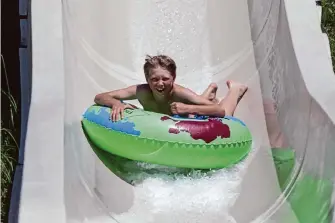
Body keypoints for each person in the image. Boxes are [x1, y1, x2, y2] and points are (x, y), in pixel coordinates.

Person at [94, 55, 248, 122]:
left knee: (227, 115)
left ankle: (235, 89)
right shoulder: (141, 90)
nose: (160, 84)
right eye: (154, 79)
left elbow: (219, 111)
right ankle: (209, 93)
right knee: (199, 103)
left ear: (173, 78)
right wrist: (116, 104)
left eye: (165, 79)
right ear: (147, 79)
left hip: (186, 115)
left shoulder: (180, 93)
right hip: (170, 119)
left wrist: (187, 108)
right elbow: (100, 96)